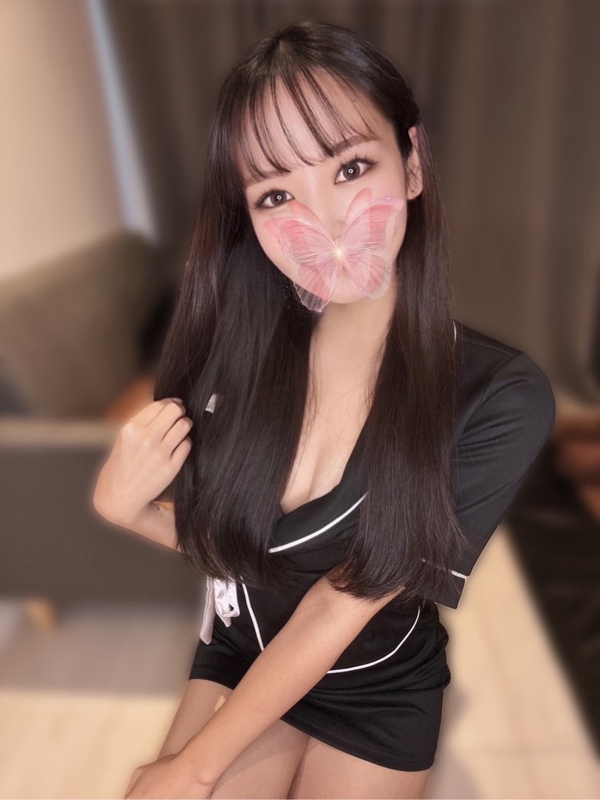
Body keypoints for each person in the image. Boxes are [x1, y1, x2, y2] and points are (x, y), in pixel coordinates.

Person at [93, 20, 556, 799]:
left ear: (412, 163)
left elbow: (344, 600)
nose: (328, 220)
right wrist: (125, 510)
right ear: (249, 215)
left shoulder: (497, 397)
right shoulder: (231, 356)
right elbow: (242, 553)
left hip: (374, 683)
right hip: (242, 653)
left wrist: (193, 767)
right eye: (277, 193)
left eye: (351, 168)